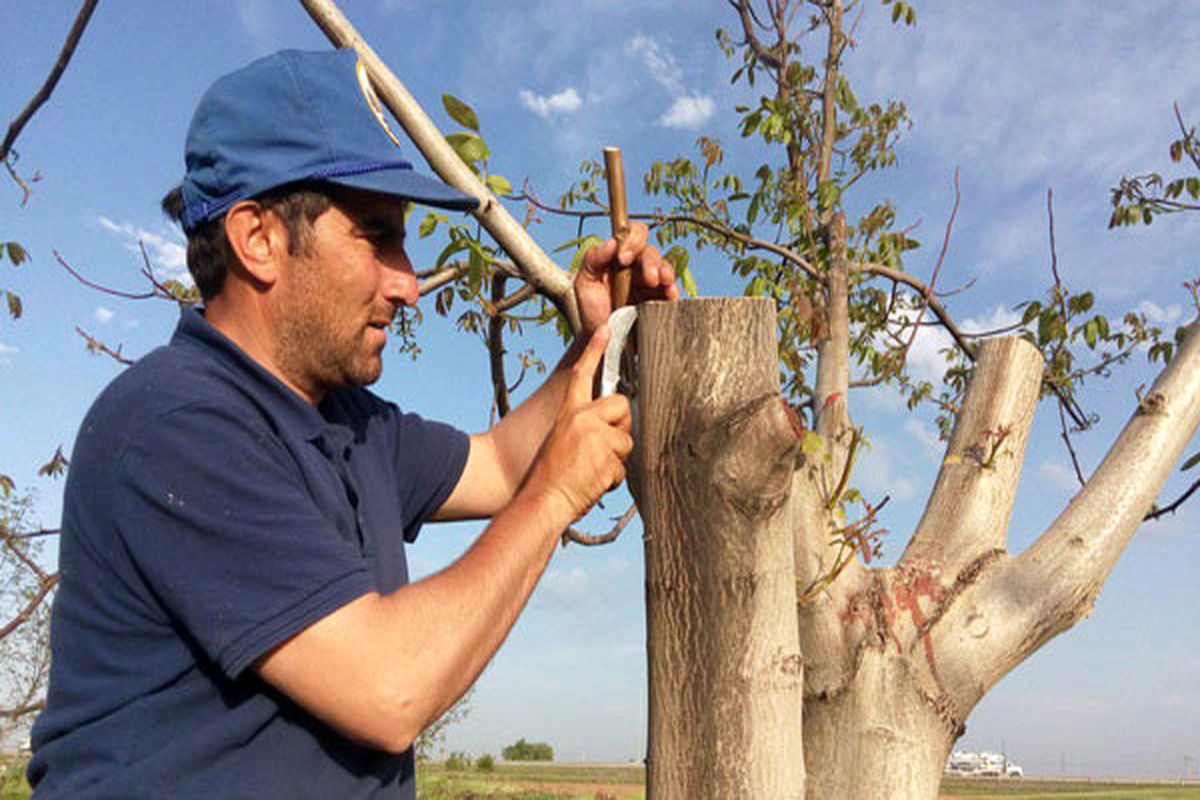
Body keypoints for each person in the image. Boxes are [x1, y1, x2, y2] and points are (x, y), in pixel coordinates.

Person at [27, 48, 678, 799]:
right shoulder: (175, 424)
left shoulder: (349, 423)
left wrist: (595, 338)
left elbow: (501, 465)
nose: (407, 284)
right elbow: (390, 688)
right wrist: (556, 498)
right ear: (257, 239)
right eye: (377, 236)